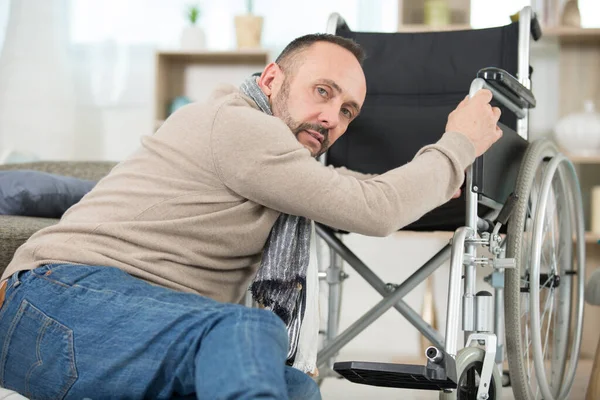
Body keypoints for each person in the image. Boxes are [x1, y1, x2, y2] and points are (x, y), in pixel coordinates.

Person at [0, 33, 501, 400]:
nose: (332, 118)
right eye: (322, 91)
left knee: (297, 389)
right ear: (270, 79)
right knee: (248, 330)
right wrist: (458, 143)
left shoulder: (277, 166)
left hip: (120, 327)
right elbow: (378, 208)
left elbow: (363, 192)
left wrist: (432, 177)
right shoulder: (237, 123)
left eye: (348, 111)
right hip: (55, 303)